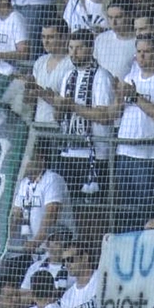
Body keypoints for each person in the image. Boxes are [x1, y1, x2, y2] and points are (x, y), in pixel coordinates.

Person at [114, 35, 154, 233]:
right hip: (125, 152)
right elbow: (115, 111)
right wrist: (118, 96)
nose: (141, 56)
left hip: (150, 157)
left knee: (148, 211)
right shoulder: (129, 77)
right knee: (125, 211)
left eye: (146, 51)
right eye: (139, 51)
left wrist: (135, 97)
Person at [47, 29, 117, 196]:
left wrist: (72, 106)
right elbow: (59, 117)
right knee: (67, 201)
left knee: (91, 209)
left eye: (79, 48)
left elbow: (104, 116)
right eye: (71, 48)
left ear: (90, 49)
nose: (74, 53)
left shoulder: (102, 77)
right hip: (68, 151)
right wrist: (56, 104)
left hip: (95, 154)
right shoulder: (67, 76)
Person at [9, 150, 74, 255]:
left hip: (57, 249)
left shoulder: (52, 179)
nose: (23, 163)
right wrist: (4, 238)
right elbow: (16, 214)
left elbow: (52, 214)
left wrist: (36, 242)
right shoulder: (24, 184)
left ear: (41, 160)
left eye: (27, 159)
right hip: (35, 249)